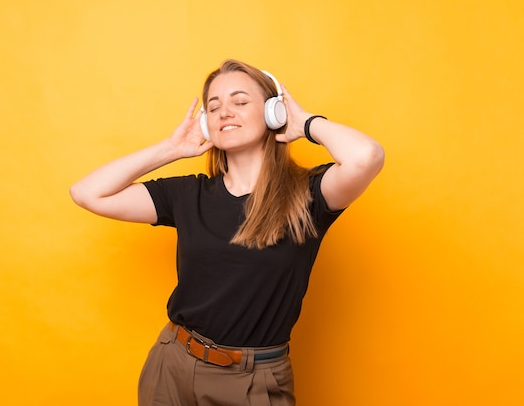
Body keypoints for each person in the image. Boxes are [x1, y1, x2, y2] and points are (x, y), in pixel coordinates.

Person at [70, 59, 385, 406]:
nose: (224, 112)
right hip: (172, 365)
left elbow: (366, 156)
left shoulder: (308, 195)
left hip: (251, 382)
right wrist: (171, 149)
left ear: (272, 113)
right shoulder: (188, 195)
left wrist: (306, 124)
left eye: (240, 101)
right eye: (214, 106)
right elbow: (87, 193)